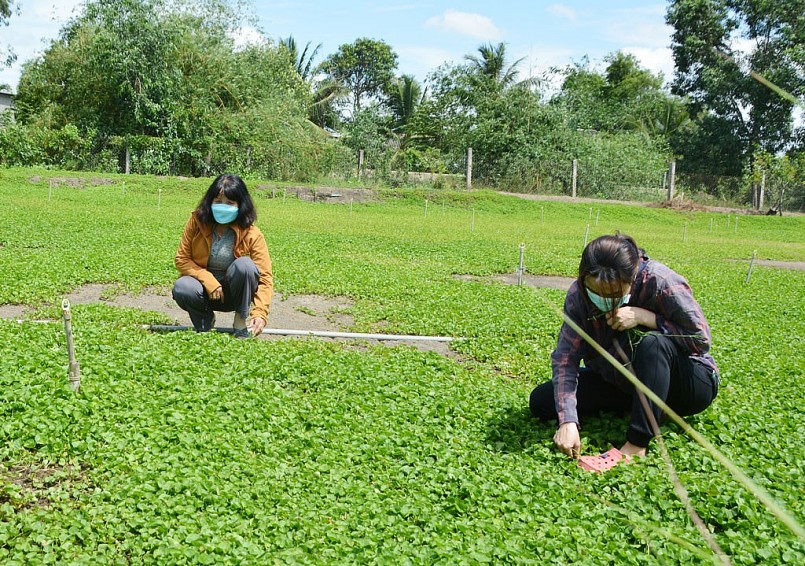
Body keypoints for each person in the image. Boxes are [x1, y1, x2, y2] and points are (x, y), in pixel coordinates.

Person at [530, 234, 719, 460]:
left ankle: (636, 445)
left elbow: (700, 340)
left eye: (613, 294)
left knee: (652, 343)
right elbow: (565, 358)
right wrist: (568, 421)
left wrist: (647, 318)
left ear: (633, 276)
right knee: (542, 401)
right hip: (625, 382)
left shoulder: (661, 281)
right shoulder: (578, 297)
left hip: (687, 384)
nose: (603, 300)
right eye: (595, 292)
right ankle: (644, 408)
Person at [172, 174, 273, 338]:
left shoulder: (252, 233)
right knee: (183, 286)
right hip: (204, 292)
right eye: (218, 202)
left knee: (246, 265)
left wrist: (260, 312)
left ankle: (240, 321)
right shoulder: (197, 222)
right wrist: (207, 279)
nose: (222, 206)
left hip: (235, 296)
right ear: (210, 201)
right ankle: (205, 321)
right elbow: (181, 259)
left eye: (230, 203)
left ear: (241, 205)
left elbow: (265, 276)